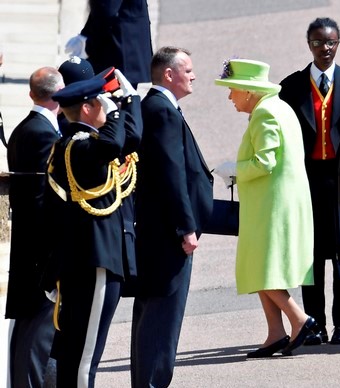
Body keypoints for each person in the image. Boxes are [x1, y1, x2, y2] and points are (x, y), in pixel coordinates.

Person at [43, 68, 140, 387]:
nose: (106, 107)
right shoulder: (81, 147)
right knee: (84, 359)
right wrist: (121, 107)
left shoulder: (74, 145)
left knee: (76, 354)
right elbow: (114, 144)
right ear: (87, 108)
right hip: (95, 261)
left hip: (82, 260)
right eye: (101, 102)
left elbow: (128, 139)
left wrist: (129, 103)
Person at [214, 58, 315, 358]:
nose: (230, 97)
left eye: (232, 89)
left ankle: (299, 319)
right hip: (271, 203)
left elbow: (264, 162)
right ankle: (275, 333)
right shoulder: (276, 107)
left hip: (271, 206)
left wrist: (234, 170)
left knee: (260, 268)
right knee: (260, 265)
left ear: (248, 90)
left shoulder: (266, 113)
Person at [132, 46, 213, 387]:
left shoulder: (159, 106)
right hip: (168, 237)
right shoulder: (162, 110)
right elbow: (172, 173)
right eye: (188, 70)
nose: (193, 75)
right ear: (169, 74)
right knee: (162, 320)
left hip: (159, 233)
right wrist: (186, 227)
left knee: (153, 316)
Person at [278, 17, 340, 346]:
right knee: (309, 256)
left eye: (330, 42)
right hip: (306, 181)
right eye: (317, 43)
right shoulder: (291, 87)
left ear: (338, 43)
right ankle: (314, 323)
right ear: (308, 44)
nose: (324, 49)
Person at [5, 66, 64, 388]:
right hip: (40, 256)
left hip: (33, 252)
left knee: (34, 333)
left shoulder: (30, 128)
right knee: (37, 336)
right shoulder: (41, 133)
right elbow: (45, 201)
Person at [65, 0, 153, 87]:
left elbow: (106, 11)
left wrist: (88, 45)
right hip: (124, 49)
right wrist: (85, 34)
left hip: (119, 52)